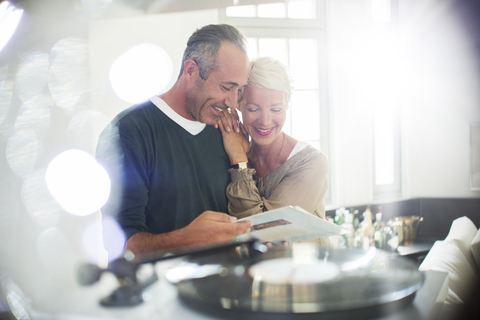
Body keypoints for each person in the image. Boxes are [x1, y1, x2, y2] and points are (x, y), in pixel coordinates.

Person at [96, 24, 253, 257]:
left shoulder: (227, 131)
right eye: (225, 87)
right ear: (190, 70)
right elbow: (120, 245)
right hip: (157, 291)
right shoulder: (128, 132)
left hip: (222, 289)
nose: (232, 102)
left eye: (239, 90)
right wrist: (186, 240)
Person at [217, 57, 335, 247]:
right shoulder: (229, 151)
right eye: (253, 109)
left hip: (309, 272)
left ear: (287, 104)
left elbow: (267, 233)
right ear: (239, 105)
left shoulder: (312, 162)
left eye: (276, 109)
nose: (265, 121)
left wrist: (239, 159)